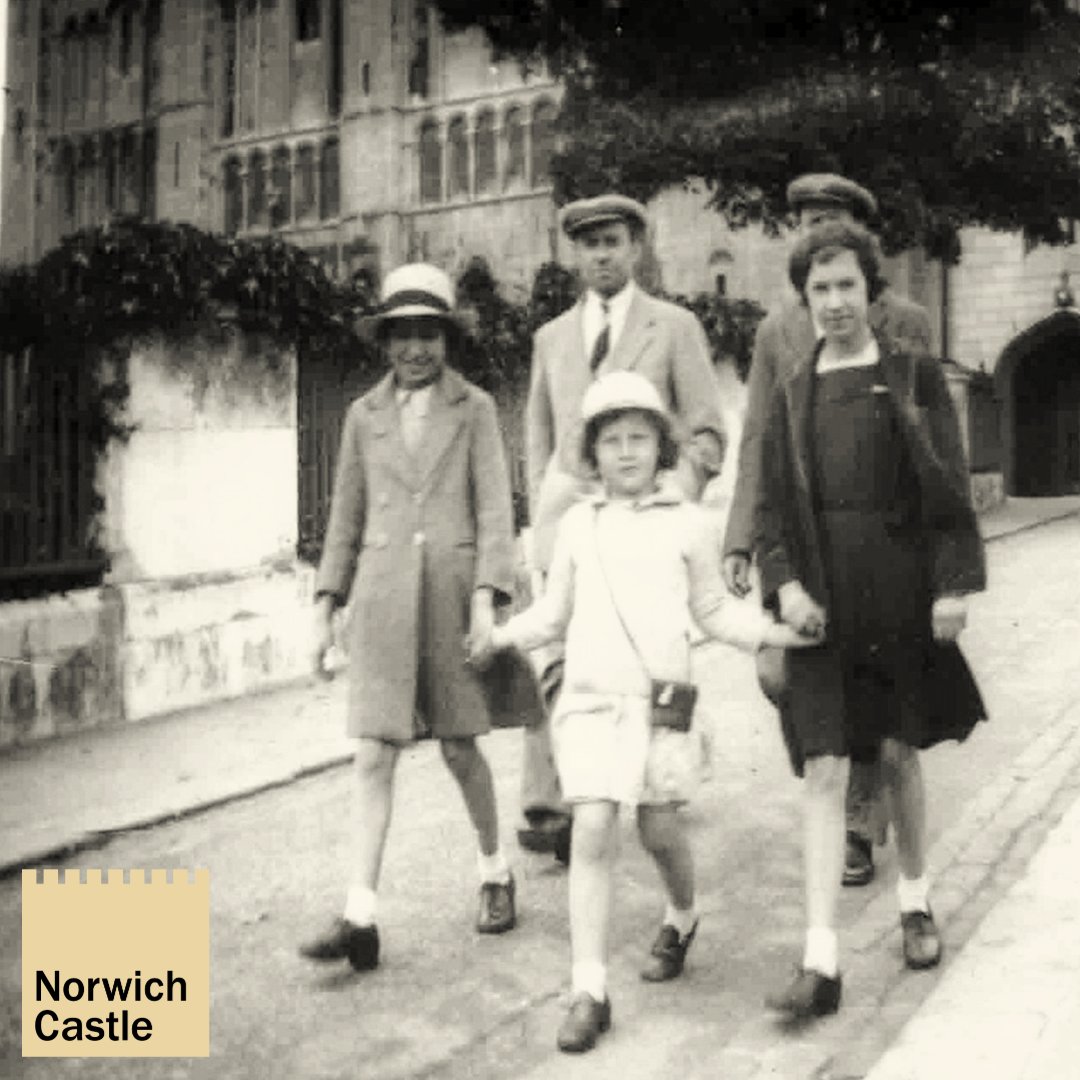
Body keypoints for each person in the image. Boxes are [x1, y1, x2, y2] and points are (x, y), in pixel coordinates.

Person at [475, 371, 817, 1052]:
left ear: (661, 447)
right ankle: (589, 989)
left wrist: (776, 634)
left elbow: (714, 611)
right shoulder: (576, 525)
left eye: (639, 439)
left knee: (659, 830)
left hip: (661, 705)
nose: (626, 452)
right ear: (592, 453)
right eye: (611, 441)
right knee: (594, 827)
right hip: (592, 704)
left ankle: (683, 913)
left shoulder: (689, 525)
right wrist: (501, 636)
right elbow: (554, 612)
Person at [755, 220, 987, 1019]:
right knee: (823, 767)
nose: (834, 302)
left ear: (871, 291)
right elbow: (771, 510)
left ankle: (915, 900)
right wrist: (782, 587)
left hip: (897, 588)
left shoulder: (914, 379)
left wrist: (952, 585)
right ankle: (820, 960)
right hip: (821, 602)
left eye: (846, 286)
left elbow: (948, 492)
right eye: (819, 290)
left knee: (893, 755)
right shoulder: (793, 393)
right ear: (805, 299)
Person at [298, 263, 519, 973]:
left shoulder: (477, 408)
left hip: (453, 598)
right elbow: (344, 517)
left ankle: (495, 870)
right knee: (373, 753)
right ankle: (359, 915)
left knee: (459, 747)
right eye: (401, 336)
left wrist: (488, 596)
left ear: (447, 338)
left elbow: (494, 511)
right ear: (384, 340)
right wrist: (325, 605)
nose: (414, 350)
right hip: (384, 599)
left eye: (428, 335)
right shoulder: (363, 415)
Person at [722, 173, 934, 889]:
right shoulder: (776, 328)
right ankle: (842, 782)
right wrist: (739, 539)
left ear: (857, 236)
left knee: (871, 677)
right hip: (799, 537)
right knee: (779, 670)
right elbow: (756, 435)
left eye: (829, 218)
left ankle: (857, 814)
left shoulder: (905, 320)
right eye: (804, 219)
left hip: (878, 540)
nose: (814, 229)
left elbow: (925, 443)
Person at [520, 193, 728, 864]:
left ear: (636, 248)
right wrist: (540, 526)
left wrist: (672, 497)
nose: (601, 255)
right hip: (572, 528)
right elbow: (538, 439)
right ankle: (551, 804)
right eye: (588, 244)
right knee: (556, 659)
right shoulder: (551, 339)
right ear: (573, 254)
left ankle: (661, 783)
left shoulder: (673, 327)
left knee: (651, 659)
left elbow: (706, 432)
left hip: (645, 531)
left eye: (612, 241)